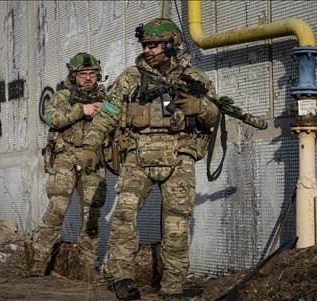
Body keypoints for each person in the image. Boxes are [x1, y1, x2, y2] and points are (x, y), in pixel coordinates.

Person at [81, 18, 219, 300]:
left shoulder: (194, 78)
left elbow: (215, 115)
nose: (148, 50)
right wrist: (90, 145)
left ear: (171, 44)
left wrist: (200, 106)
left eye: (154, 45)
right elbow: (107, 113)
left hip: (179, 155)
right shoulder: (130, 78)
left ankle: (172, 287)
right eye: (145, 45)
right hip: (138, 156)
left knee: (176, 223)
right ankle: (121, 278)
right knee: (123, 214)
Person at [26, 52, 108, 277]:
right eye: (83, 74)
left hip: (92, 161)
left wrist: (106, 111)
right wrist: (83, 110)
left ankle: (87, 267)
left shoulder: (105, 97)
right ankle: (38, 261)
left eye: (92, 74)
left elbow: (117, 122)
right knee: (57, 210)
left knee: (92, 215)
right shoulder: (63, 95)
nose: (88, 78)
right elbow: (52, 118)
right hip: (64, 159)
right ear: (74, 75)